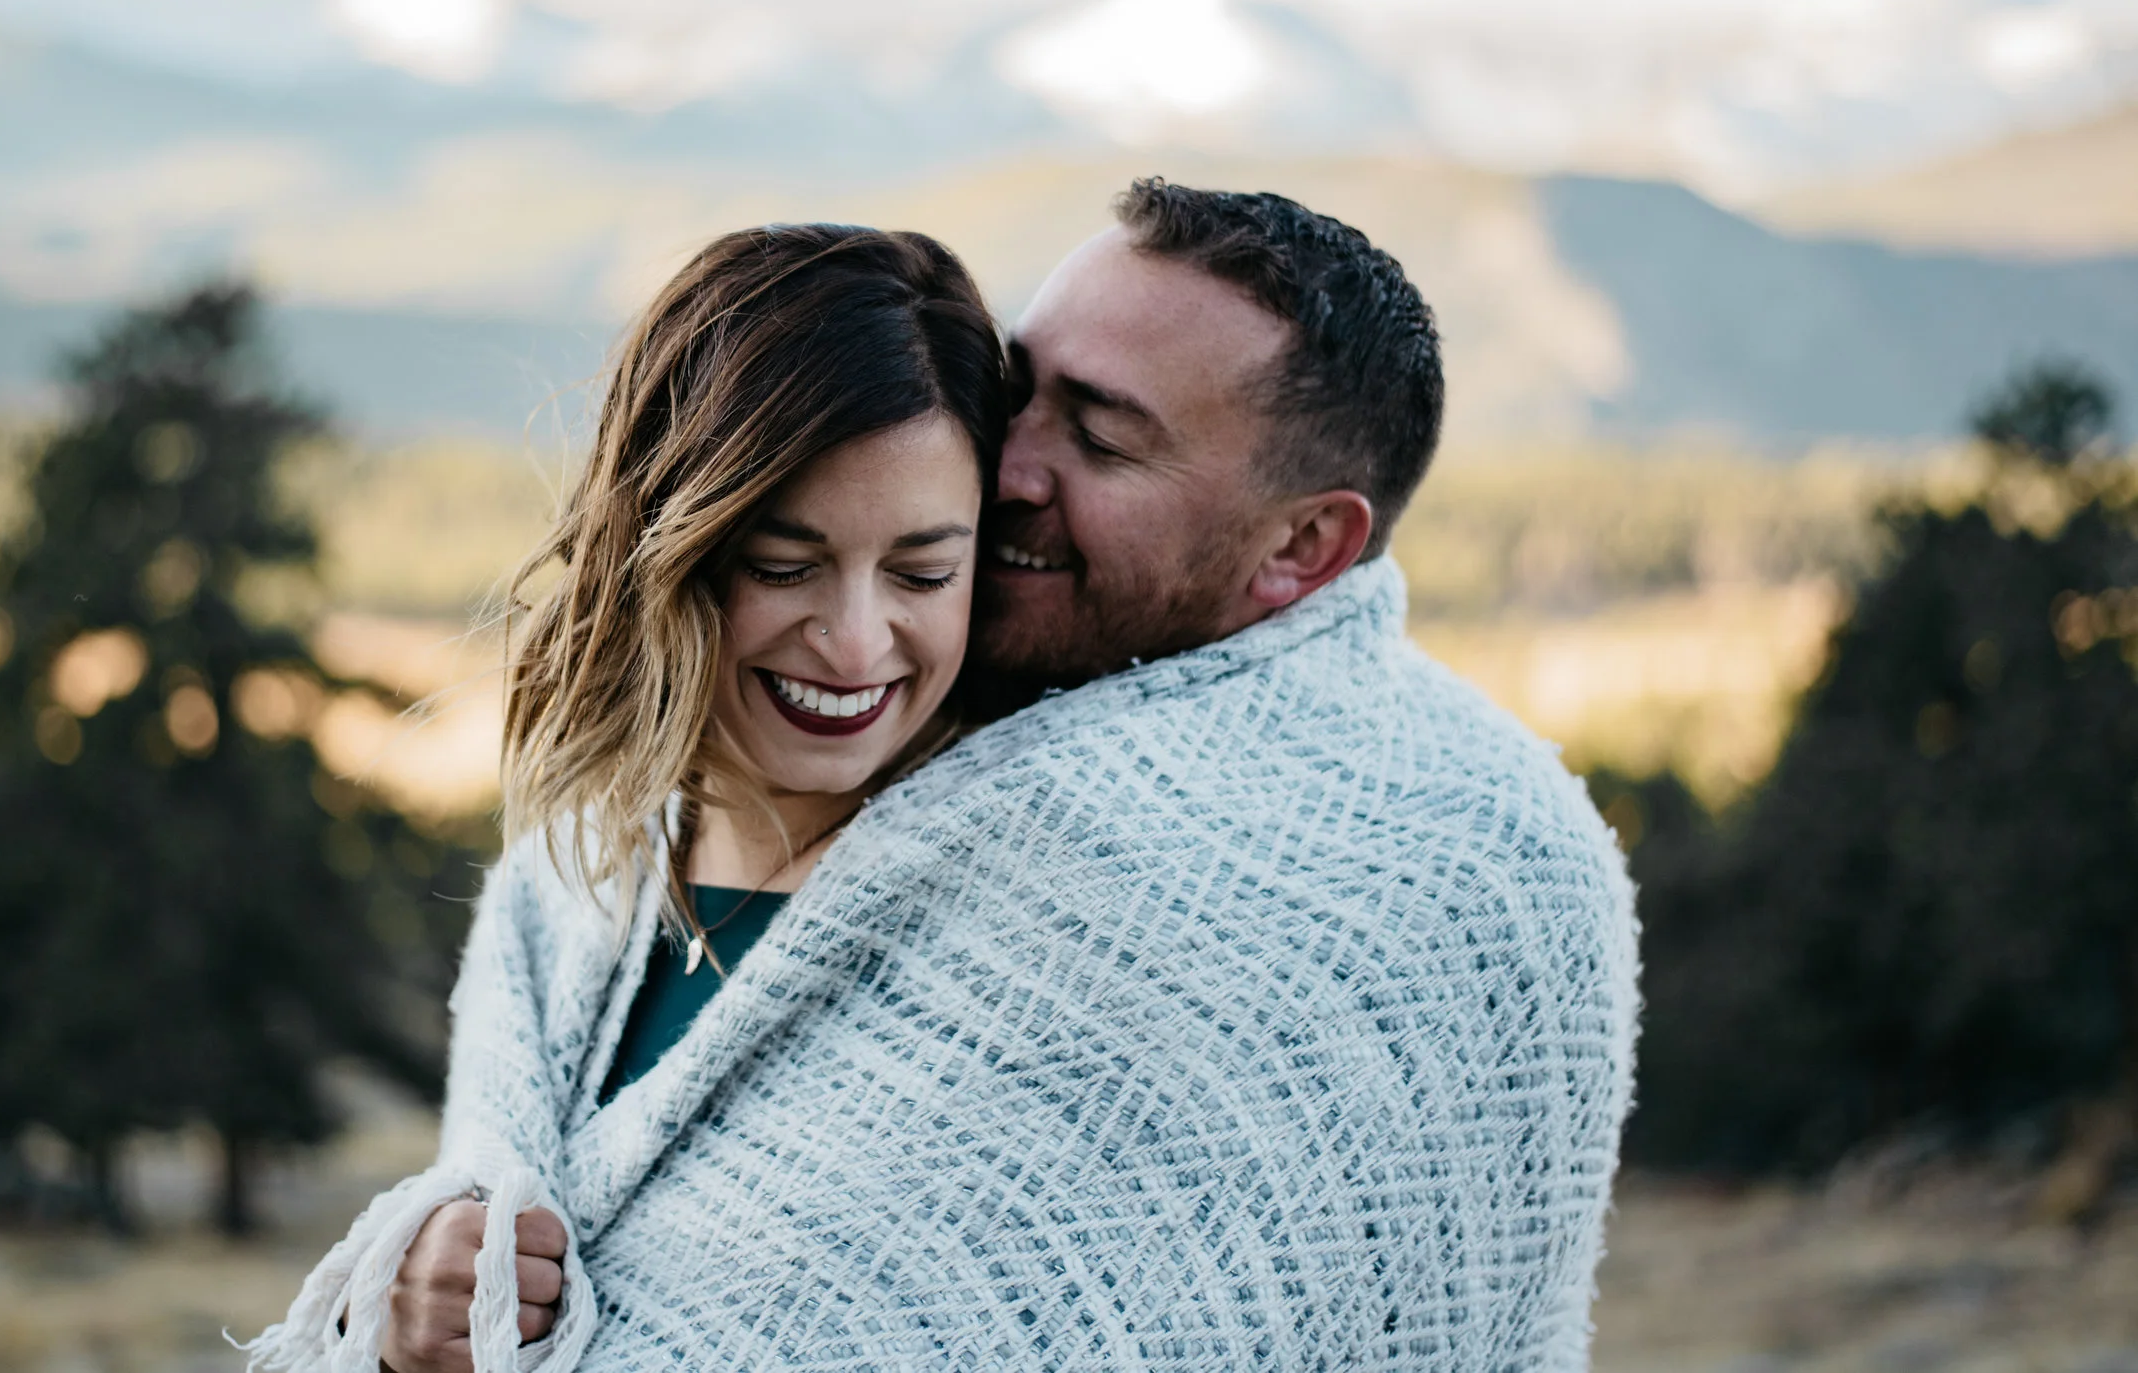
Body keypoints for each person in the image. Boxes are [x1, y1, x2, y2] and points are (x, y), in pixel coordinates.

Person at [250, 184, 1638, 1372]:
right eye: (1019, 391)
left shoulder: (1382, 875)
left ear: (1300, 550)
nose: (1003, 461)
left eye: (1102, 436)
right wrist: (413, 1305)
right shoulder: (580, 870)